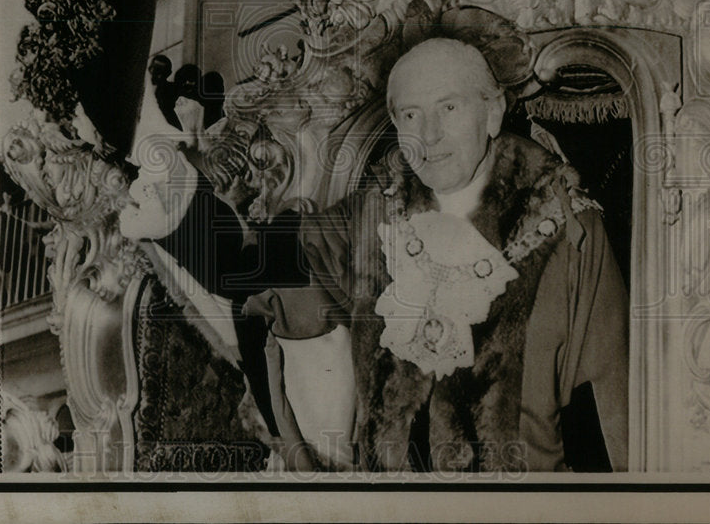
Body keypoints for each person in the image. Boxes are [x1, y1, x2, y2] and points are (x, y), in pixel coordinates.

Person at [242, 36, 629, 473]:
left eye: (449, 108)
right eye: (411, 114)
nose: (429, 134)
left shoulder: (569, 230)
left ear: (493, 111)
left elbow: (606, 406)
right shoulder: (373, 211)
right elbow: (268, 268)